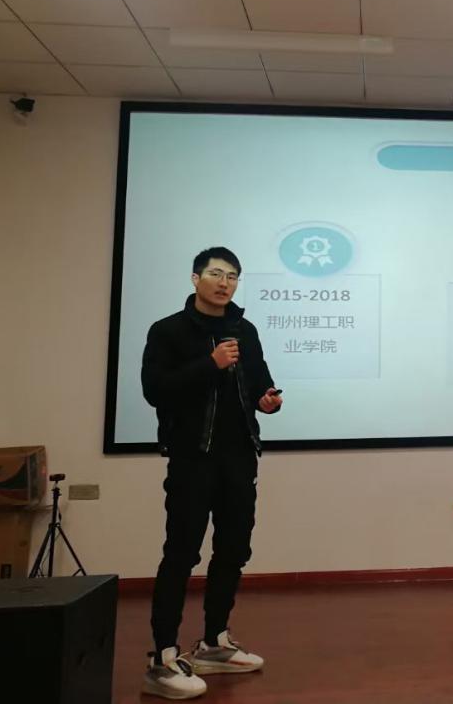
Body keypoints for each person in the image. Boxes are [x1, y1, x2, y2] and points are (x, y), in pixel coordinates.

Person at [139, 246, 283, 700]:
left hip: (239, 456)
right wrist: (210, 364)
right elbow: (155, 390)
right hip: (192, 458)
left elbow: (258, 381)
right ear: (195, 278)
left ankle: (214, 642)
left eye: (233, 276)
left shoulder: (245, 330)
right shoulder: (168, 331)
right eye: (216, 274)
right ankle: (163, 657)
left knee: (234, 548)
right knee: (181, 553)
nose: (225, 283)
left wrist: (267, 399)